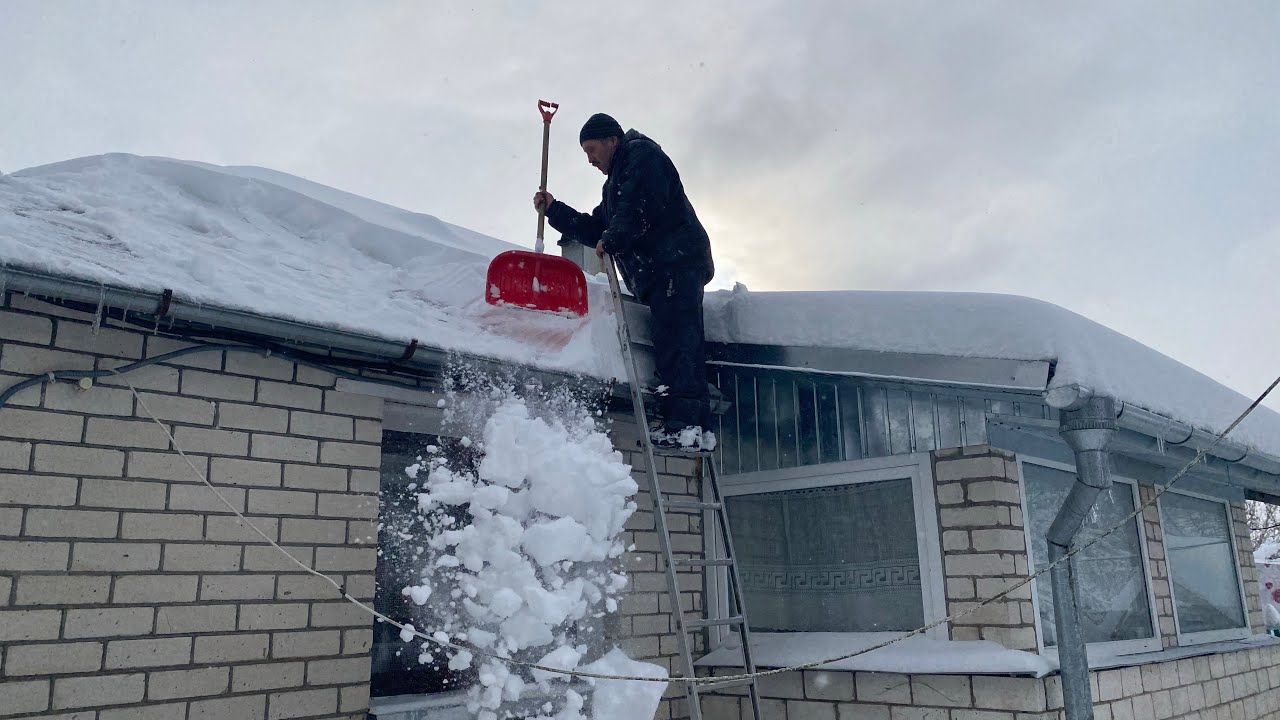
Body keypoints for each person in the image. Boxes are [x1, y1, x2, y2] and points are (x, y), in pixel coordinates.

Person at [533, 112, 714, 449]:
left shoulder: (643, 157)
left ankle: (688, 425)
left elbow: (639, 208)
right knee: (672, 341)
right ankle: (690, 425)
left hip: (676, 263)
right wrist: (555, 210)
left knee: (679, 342)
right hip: (663, 271)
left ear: (612, 140)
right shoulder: (615, 183)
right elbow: (597, 227)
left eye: (591, 149)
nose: (589, 159)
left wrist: (613, 239)